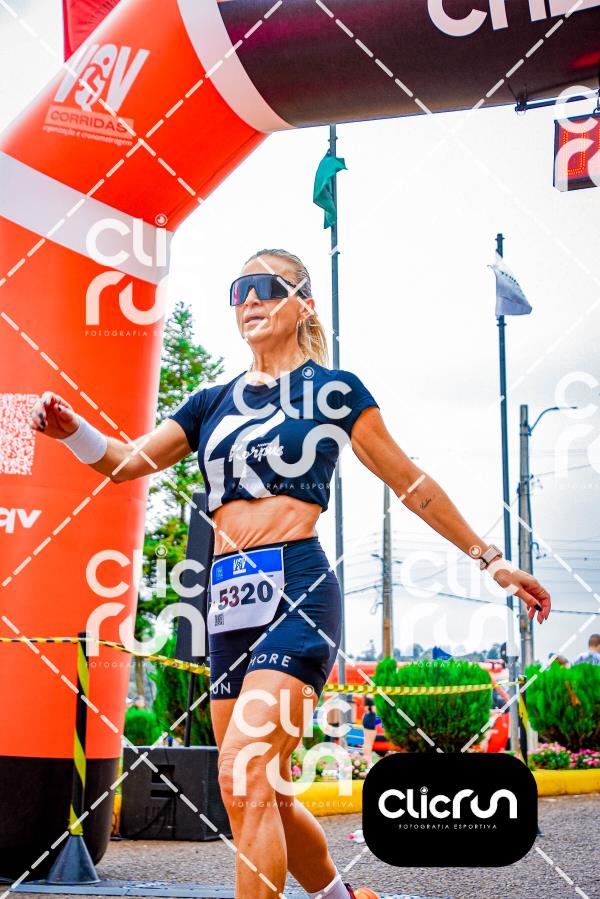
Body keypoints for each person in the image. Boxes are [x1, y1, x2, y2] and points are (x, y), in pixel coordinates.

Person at [30, 248, 552, 899]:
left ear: (303, 303)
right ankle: (337, 897)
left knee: (245, 771)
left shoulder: (334, 391)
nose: (248, 299)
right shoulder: (210, 402)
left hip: (297, 592)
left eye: (265, 286)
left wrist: (492, 559)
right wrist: (73, 430)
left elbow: (410, 482)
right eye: (238, 289)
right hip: (228, 604)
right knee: (261, 789)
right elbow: (125, 462)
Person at [361, 697, 377, 767]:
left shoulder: (366, 699)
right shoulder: (370, 699)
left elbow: (366, 710)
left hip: (367, 719)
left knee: (367, 742)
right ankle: (368, 761)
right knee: (368, 743)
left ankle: (367, 760)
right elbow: (374, 710)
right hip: (370, 719)